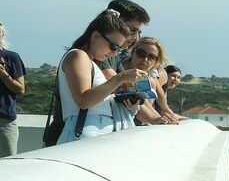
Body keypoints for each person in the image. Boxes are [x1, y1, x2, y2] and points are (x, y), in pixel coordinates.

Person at [56, 9, 147, 144]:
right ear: (95, 36)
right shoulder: (78, 56)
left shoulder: (90, 61)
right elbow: (83, 100)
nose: (115, 53)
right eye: (114, 46)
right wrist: (120, 78)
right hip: (85, 132)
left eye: (119, 49)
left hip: (96, 132)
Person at [122, 37, 178, 125]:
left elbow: (161, 97)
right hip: (125, 113)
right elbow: (135, 96)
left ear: (156, 62)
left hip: (137, 114)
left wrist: (168, 112)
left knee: (151, 81)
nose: (145, 60)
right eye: (141, 54)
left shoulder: (151, 75)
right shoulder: (121, 69)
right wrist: (155, 119)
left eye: (151, 57)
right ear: (133, 53)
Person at [0, 21, 26, 158]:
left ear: (2, 34)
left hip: (5, 122)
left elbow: (21, 90)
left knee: (6, 165)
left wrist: (4, 74)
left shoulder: (11, 57)